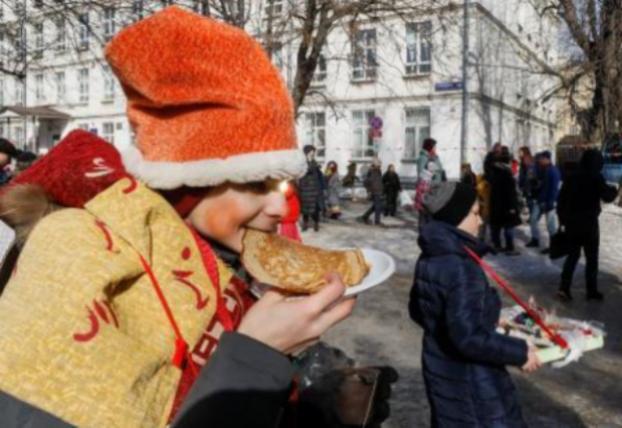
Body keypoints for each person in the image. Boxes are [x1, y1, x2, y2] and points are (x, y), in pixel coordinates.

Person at [0, 8, 358, 427]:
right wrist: (258, 354)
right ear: (192, 183)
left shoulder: (217, 259)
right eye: (257, 185)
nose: (281, 208)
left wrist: (319, 399)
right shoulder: (74, 249)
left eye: (282, 187)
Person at [410, 181, 540, 428]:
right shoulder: (462, 267)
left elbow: (419, 310)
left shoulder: (431, 255)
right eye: (475, 214)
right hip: (472, 379)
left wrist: (487, 315)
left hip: (440, 369)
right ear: (455, 218)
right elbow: (467, 337)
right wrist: (519, 352)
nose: (480, 222)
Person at [557, 150, 618, 301]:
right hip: (589, 225)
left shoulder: (571, 176)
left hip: (572, 224)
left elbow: (561, 200)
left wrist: (563, 220)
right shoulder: (595, 176)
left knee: (572, 256)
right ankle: (591, 291)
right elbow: (607, 196)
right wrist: (615, 190)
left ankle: (564, 288)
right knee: (591, 259)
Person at [488, 147, 521, 254]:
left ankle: (497, 244)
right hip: (506, 205)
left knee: (496, 226)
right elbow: (510, 192)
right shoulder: (507, 175)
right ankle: (509, 247)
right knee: (508, 226)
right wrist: (512, 206)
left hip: (495, 204)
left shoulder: (493, 172)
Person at [532, 151, 561, 253]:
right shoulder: (542, 169)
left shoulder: (553, 171)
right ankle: (534, 239)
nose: (540, 160)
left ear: (547, 159)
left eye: (541, 159)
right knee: (533, 219)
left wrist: (550, 202)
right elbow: (541, 185)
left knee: (550, 226)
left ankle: (554, 246)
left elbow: (554, 189)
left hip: (549, 202)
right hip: (540, 200)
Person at [518, 147, 542, 247]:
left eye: (520, 153)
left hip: (532, 194)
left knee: (533, 218)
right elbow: (523, 178)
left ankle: (535, 239)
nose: (519, 154)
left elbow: (532, 179)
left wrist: (531, 187)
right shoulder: (523, 164)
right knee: (533, 218)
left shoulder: (531, 165)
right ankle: (534, 237)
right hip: (528, 193)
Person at [298, 145, 324, 231]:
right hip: (305, 189)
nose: (313, 153)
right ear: (307, 152)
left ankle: (316, 224)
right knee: (305, 208)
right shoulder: (302, 163)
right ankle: (305, 224)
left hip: (314, 189)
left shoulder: (314, 162)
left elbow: (317, 175)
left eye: (313, 151)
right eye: (312, 151)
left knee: (315, 209)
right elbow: (305, 171)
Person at [359, 158, 384, 225]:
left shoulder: (379, 171)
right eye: (379, 164)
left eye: (380, 164)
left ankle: (365, 216)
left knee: (376, 206)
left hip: (379, 190)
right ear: (375, 164)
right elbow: (366, 182)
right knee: (378, 206)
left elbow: (379, 180)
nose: (380, 165)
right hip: (374, 191)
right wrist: (369, 190)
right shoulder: (371, 171)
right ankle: (377, 221)